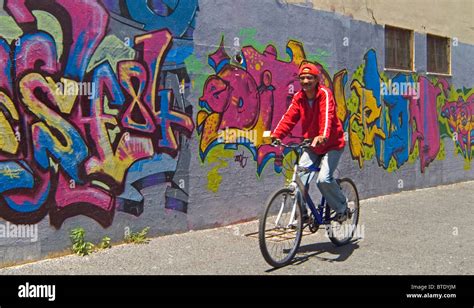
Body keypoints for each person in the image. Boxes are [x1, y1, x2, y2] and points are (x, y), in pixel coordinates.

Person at [271, 62, 348, 223]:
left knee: (323, 180)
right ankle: (303, 215)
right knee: (298, 181)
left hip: (332, 144)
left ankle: (342, 208)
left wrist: (323, 136)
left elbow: (327, 116)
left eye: (309, 78)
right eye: (302, 78)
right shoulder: (299, 97)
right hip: (312, 146)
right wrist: (277, 135)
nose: (305, 81)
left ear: (316, 79)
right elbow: (289, 117)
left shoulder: (324, 94)